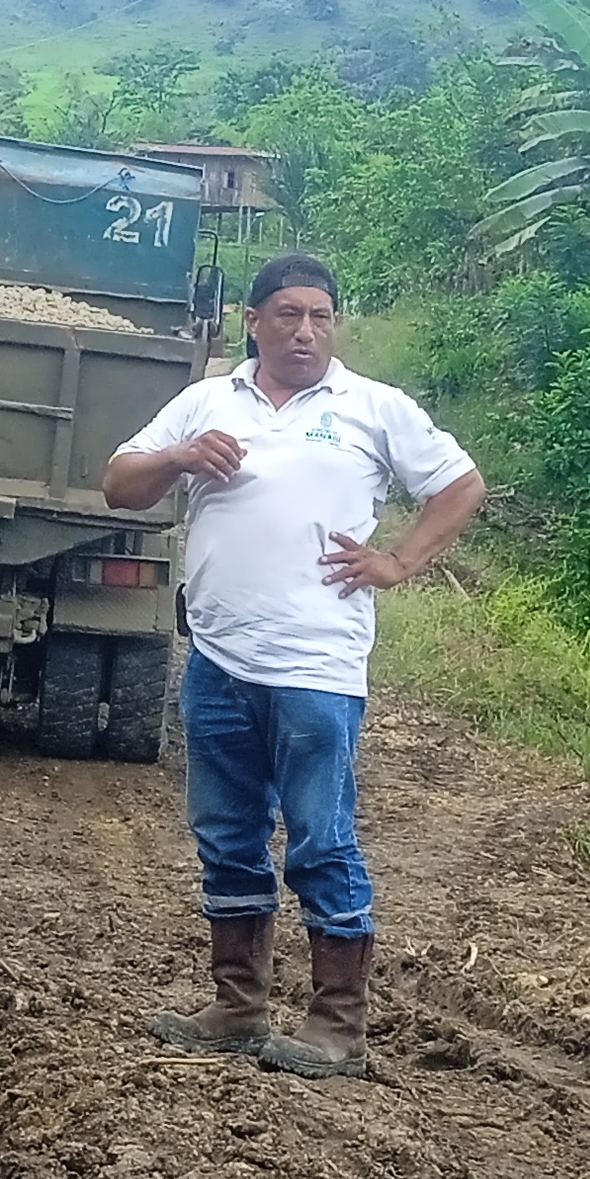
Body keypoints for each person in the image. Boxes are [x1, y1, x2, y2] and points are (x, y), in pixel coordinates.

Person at [109, 255, 486, 1078]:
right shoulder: (207, 401)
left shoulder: (373, 408)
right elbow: (118, 484)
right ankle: (237, 1007)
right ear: (253, 322)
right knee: (227, 836)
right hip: (218, 662)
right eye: (287, 314)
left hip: (317, 669)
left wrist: (398, 561)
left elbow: (460, 485)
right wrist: (179, 457)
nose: (306, 331)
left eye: (321, 315)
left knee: (321, 841)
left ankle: (337, 1026)